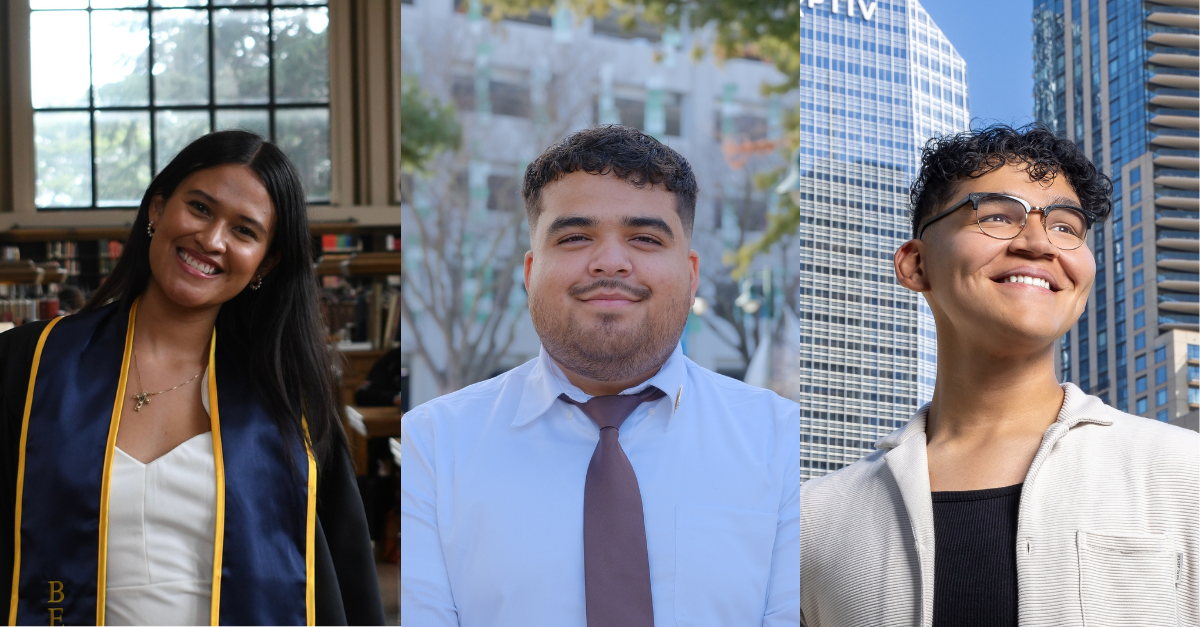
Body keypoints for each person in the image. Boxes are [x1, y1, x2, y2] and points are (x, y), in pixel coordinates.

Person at [797, 124, 1198, 626]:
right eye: (996, 216)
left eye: (1066, 226)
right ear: (915, 264)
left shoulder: (1185, 473)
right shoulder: (814, 520)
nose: (1038, 243)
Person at [401, 125, 801, 626]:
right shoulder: (434, 447)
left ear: (692, 273)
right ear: (530, 273)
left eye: (644, 238)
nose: (610, 261)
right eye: (575, 237)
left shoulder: (782, 442)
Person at [0, 131, 384, 626]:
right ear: (157, 209)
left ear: (265, 262)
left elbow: (345, 580)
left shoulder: (289, 400)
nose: (212, 239)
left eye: (244, 231)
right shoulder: (30, 365)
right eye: (200, 208)